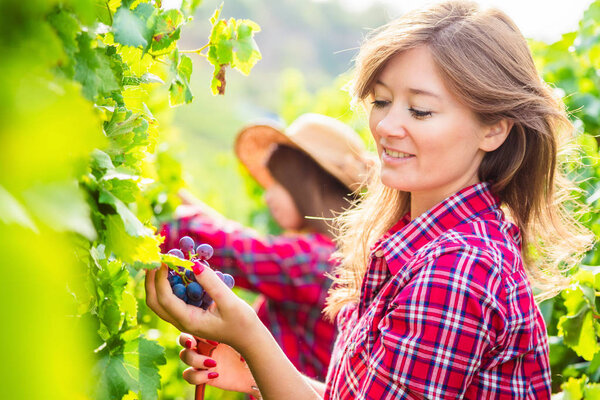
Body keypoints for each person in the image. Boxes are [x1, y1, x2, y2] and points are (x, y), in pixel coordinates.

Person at [146, 1, 595, 399]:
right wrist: (256, 372)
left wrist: (250, 335)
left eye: (420, 110)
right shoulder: (416, 247)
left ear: (494, 128)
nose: (385, 126)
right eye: (381, 101)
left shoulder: (455, 271)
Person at [158, 113, 372, 382]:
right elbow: (235, 236)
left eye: (277, 183)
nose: (268, 196)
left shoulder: (315, 261)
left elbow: (236, 251)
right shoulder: (336, 254)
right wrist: (183, 199)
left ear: (305, 185)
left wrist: (159, 209)